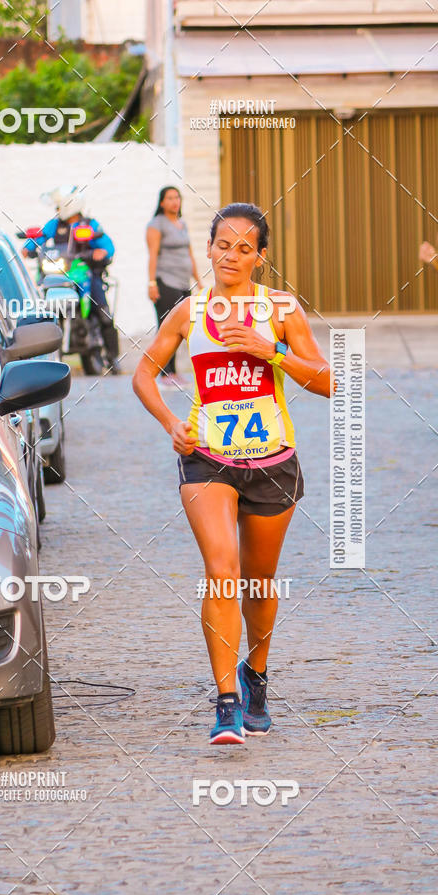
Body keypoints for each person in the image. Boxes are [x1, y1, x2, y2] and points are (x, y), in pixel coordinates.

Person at [133, 202, 332, 745]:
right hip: (207, 460)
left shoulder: (282, 310)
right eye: (223, 244)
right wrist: (173, 422)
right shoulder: (189, 311)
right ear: (209, 247)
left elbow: (327, 381)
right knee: (222, 569)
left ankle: (256, 675)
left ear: (260, 258)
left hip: (272, 462)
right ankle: (225, 701)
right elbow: (144, 374)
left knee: (259, 579)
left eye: (245, 248)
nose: (231, 255)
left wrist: (273, 353)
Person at [23, 190, 121, 373]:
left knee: (102, 311)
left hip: (85, 275)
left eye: (60, 206)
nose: (57, 209)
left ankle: (113, 356)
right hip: (58, 274)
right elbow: (41, 237)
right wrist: (28, 248)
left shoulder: (89, 225)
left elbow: (107, 245)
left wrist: (102, 252)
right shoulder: (55, 224)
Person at [146, 186, 202, 389]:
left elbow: (190, 255)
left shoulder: (182, 224)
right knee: (166, 327)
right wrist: (152, 283)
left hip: (183, 283)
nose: (174, 201)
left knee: (181, 328)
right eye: (169, 198)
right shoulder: (156, 225)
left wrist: (198, 281)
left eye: (177, 197)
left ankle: (174, 371)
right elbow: (152, 255)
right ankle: (163, 373)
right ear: (162, 202)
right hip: (165, 281)